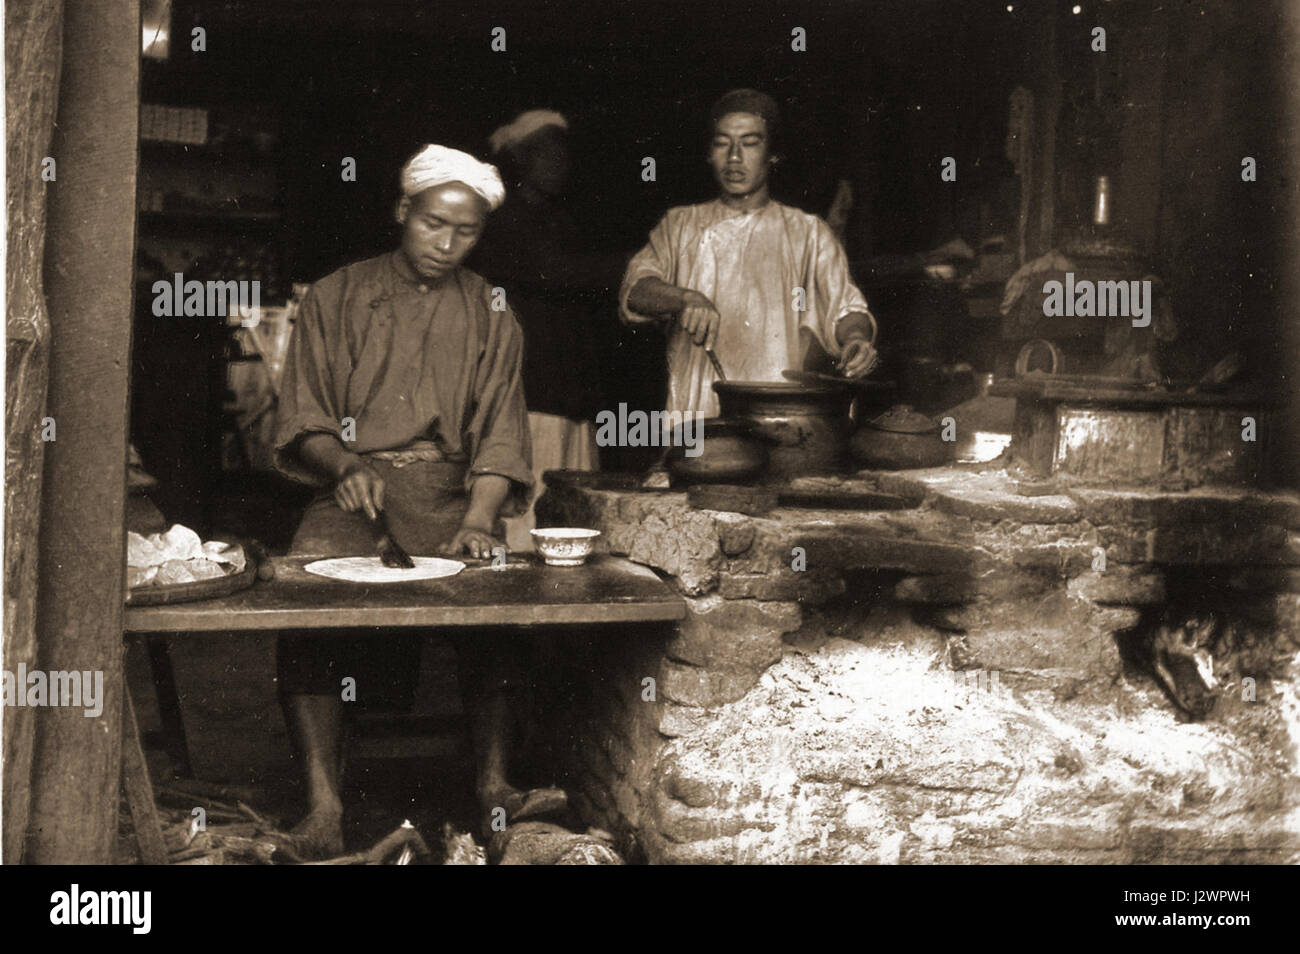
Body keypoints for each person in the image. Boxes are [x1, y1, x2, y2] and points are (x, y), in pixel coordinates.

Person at [272, 144, 542, 856]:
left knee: (500, 607)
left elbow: (501, 435)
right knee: (307, 613)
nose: (447, 243)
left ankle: (494, 785)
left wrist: (482, 519)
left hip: (456, 493)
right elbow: (304, 417)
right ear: (402, 211)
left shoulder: (491, 311)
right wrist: (343, 465)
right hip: (351, 496)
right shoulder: (335, 296)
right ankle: (323, 806)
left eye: (467, 231)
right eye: (433, 224)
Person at [620, 89, 879, 419]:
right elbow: (636, 288)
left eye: (750, 142)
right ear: (709, 154)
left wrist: (856, 339)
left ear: (771, 154)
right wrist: (685, 298)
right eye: (722, 142)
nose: (734, 156)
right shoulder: (680, 225)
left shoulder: (807, 232)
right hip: (695, 418)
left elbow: (846, 308)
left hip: (779, 418)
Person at [472, 109, 624, 550]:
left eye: (563, 155)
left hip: (570, 394)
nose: (558, 164)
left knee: (570, 511)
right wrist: (641, 265)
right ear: (521, 161)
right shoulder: (505, 220)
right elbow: (554, 271)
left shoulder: (561, 220)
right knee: (526, 513)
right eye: (545, 154)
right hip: (530, 393)